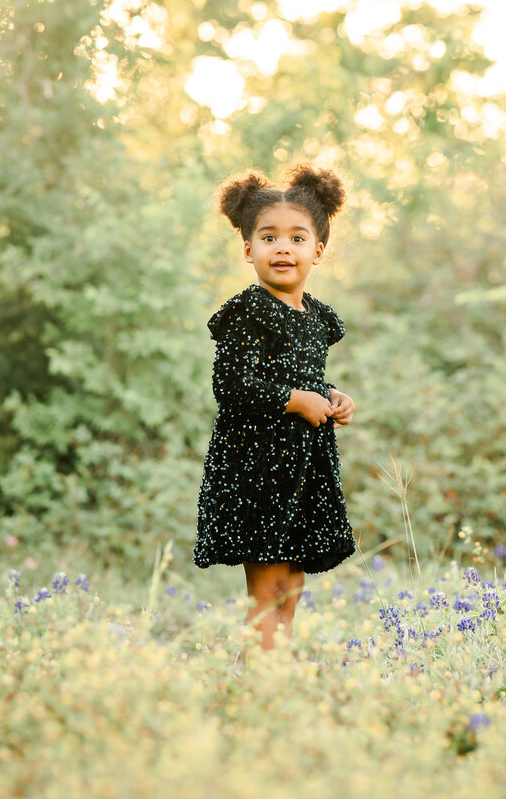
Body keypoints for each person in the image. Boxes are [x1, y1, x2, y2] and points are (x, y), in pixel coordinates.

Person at [193, 162, 357, 665]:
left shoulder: (316, 317)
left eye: (296, 237)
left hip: (303, 468)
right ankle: (255, 683)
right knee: (266, 589)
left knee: (291, 585)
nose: (282, 248)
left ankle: (275, 675)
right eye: (268, 237)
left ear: (318, 251)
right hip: (259, 467)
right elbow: (233, 384)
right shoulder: (247, 310)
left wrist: (329, 395)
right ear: (248, 249)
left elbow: (296, 373)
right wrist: (295, 400)